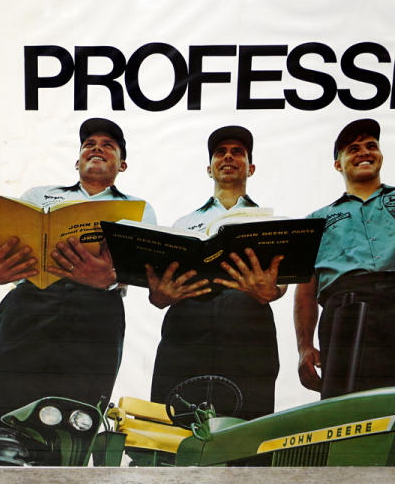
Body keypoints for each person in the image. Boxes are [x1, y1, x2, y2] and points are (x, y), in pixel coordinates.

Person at [0, 118, 156, 429]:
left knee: (76, 416)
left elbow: (143, 268)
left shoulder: (139, 209)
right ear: (77, 161)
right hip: (31, 303)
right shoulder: (38, 196)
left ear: (122, 165)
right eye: (89, 145)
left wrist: (112, 277)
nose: (96, 148)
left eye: (108, 146)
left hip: (98, 312)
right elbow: (2, 248)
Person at [148, 126, 285, 420]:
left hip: (247, 324)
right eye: (220, 152)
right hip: (187, 327)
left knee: (247, 419)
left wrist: (273, 290)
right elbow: (159, 293)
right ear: (209, 169)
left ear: (251, 168)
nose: (228, 157)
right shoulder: (183, 223)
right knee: (176, 416)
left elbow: (282, 282)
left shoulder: (269, 221)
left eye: (238, 152)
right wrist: (159, 295)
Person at [294, 118, 395, 398]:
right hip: (345, 310)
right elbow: (305, 288)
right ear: (338, 164)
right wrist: (304, 347)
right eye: (353, 149)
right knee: (348, 403)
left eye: (371, 146)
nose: (364, 152)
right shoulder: (317, 220)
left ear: (380, 155)